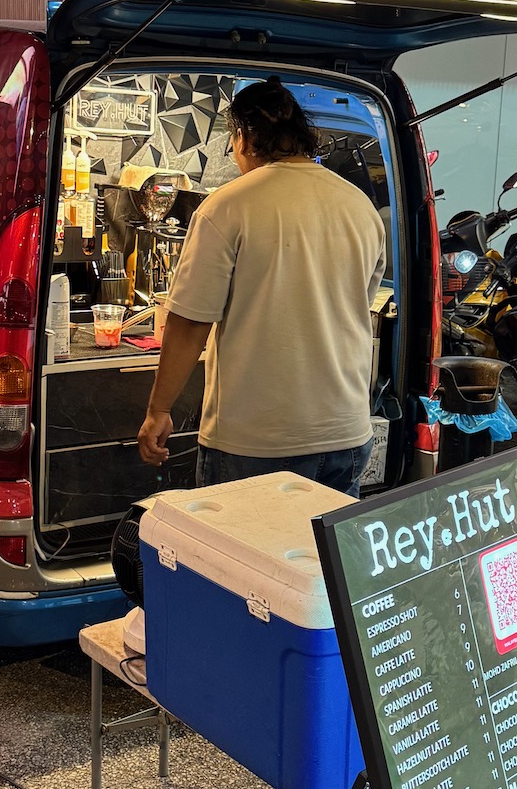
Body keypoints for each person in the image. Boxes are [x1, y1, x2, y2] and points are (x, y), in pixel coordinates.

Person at [136, 76, 385, 495]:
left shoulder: (227, 207)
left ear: (245, 135)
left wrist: (159, 409)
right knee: (322, 561)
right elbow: (357, 306)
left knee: (237, 561)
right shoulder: (361, 208)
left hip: (255, 443)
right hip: (347, 434)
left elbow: (189, 322)